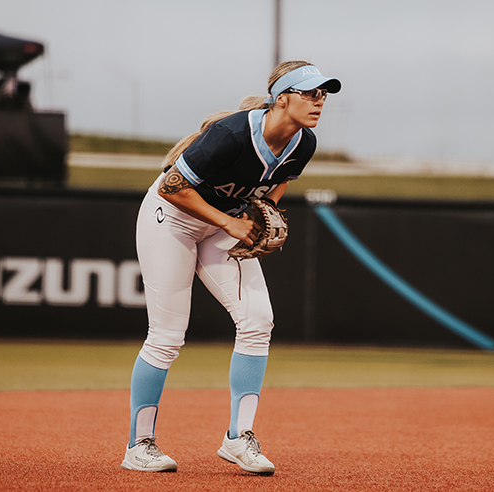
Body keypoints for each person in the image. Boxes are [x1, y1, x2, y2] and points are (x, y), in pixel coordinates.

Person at [122, 60, 341, 475]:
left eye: (323, 95)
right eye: (310, 93)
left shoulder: (303, 143)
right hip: (172, 219)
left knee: (258, 320)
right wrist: (230, 222)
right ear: (282, 98)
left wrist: (266, 210)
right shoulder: (232, 134)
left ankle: (239, 439)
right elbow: (172, 188)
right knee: (167, 335)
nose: (319, 102)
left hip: (224, 221)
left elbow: (281, 179)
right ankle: (140, 445)